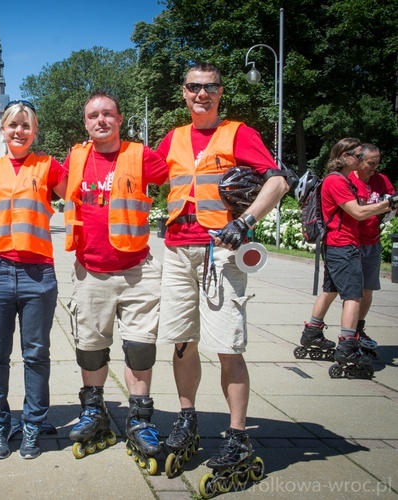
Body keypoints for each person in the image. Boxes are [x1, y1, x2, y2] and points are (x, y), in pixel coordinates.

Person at [154, 62, 289, 482]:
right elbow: (136, 176)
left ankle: (236, 436)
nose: (201, 94)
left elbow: (279, 181)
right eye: (194, 87)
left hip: (221, 253)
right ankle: (187, 418)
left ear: (220, 92)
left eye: (209, 87)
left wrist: (244, 222)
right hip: (177, 252)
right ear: (184, 92)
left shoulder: (238, 133)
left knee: (228, 344)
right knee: (182, 341)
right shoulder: (172, 138)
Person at [63, 91, 167, 468]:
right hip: (90, 270)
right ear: (86, 122)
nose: (101, 120)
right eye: (94, 115)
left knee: (140, 348)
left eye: (108, 114)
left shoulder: (140, 156)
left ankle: (139, 420)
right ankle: (94, 411)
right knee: (90, 347)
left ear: (120, 120)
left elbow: (185, 172)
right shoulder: (75, 157)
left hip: (137, 270)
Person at [0, 100, 68, 459]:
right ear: (2, 128)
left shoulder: (47, 166)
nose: (19, 131)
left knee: (36, 355)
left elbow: (82, 197)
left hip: (37, 274)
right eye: (13, 124)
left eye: (26, 126)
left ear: (35, 132)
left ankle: (32, 425)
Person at [300, 138, 394, 379]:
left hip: (339, 245)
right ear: (344, 157)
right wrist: (387, 204)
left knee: (330, 289)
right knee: (353, 296)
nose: (361, 160)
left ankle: (312, 332)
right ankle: (347, 347)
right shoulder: (337, 181)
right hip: (343, 245)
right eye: (358, 155)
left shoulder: (340, 180)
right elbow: (358, 212)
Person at [348, 143, 394, 349]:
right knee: (351, 293)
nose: (375, 166)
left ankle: (358, 329)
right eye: (370, 162)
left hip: (372, 242)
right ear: (359, 161)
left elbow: (391, 202)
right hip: (351, 242)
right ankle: (344, 334)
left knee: (367, 291)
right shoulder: (348, 179)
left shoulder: (381, 180)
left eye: (377, 162)